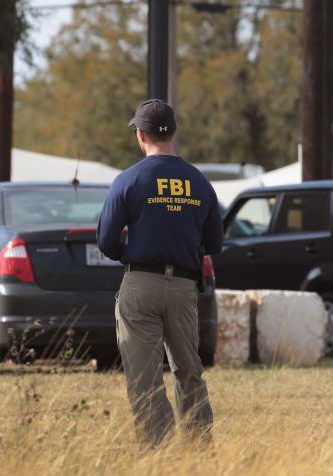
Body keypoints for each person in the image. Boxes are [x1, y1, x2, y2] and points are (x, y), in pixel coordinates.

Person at [97, 98, 223, 445]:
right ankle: (198, 450)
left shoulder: (128, 180)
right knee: (189, 371)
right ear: (175, 132)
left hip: (141, 283)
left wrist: (132, 256)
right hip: (184, 285)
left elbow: (106, 239)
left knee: (144, 376)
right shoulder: (199, 182)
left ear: (140, 134)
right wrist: (184, 252)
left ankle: (157, 452)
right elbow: (214, 241)